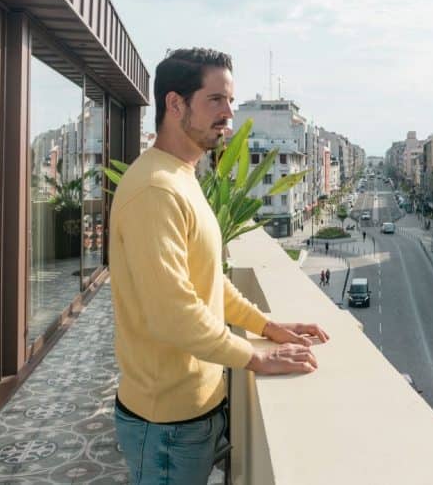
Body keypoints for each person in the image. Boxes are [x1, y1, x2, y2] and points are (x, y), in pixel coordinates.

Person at [110, 48, 330, 485]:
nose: (229, 113)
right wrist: (255, 358)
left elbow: (206, 281)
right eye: (215, 100)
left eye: (230, 100)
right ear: (175, 104)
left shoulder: (182, 176)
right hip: (167, 426)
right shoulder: (156, 190)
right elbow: (174, 314)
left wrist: (266, 326)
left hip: (194, 413)